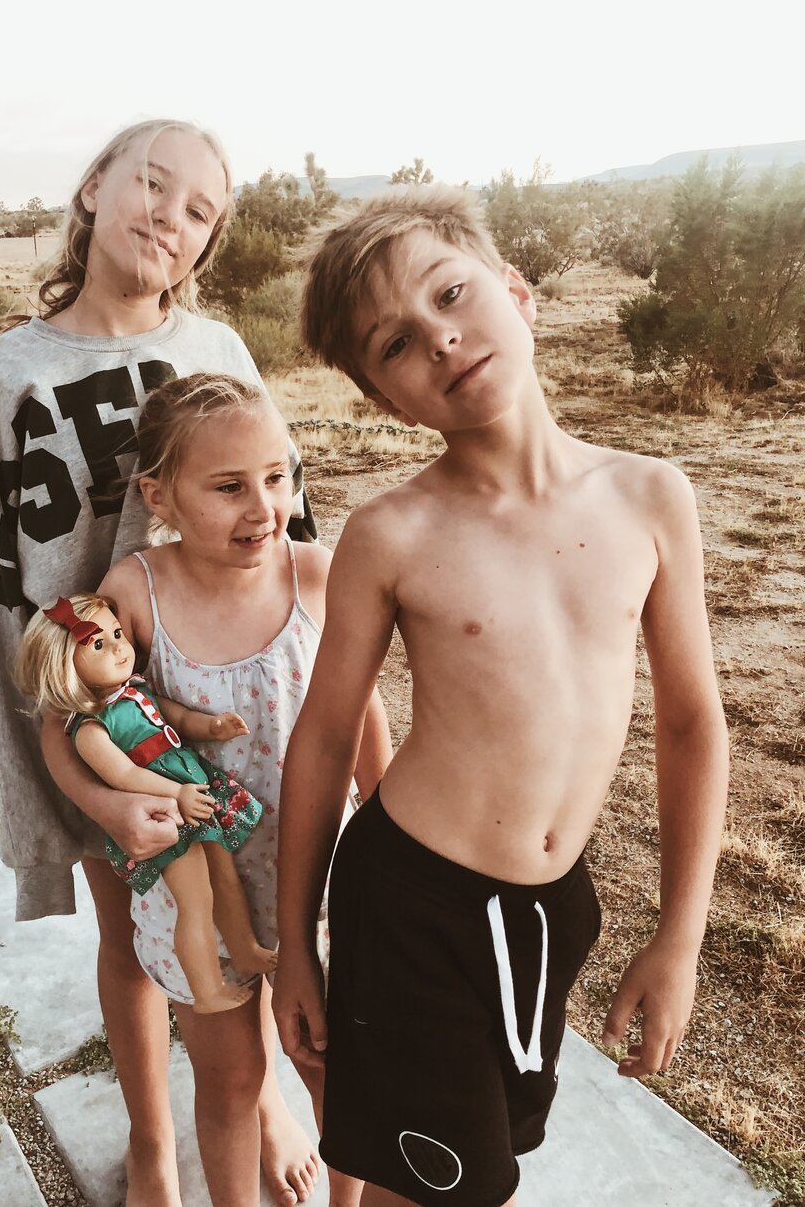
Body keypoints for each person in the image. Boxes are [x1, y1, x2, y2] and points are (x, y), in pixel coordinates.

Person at [274, 184, 730, 1207]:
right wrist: (295, 945)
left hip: (550, 911)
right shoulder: (392, 534)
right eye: (394, 343)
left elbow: (694, 724)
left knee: (489, 1162)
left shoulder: (650, 495)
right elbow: (319, 742)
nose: (437, 338)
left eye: (451, 294)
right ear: (386, 398)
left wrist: (680, 936)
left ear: (516, 293)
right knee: (442, 1190)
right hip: (411, 908)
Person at [0, 119, 320, 1206]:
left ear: (207, 243)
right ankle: (154, 1141)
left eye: (198, 208)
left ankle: (253, 1100)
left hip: (223, 692)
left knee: (247, 915)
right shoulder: (9, 369)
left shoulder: (218, 352)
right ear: (91, 189)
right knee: (135, 929)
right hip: (106, 716)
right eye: (151, 183)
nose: (169, 213)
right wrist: (30, 752)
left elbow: (284, 510)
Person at [76, 371, 389, 1207]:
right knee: (229, 1080)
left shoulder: (320, 574)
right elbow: (70, 718)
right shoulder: (135, 594)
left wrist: (393, 836)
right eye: (228, 486)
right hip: (201, 899)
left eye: (278, 476)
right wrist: (111, 804)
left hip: (319, 881)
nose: (264, 507)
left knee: (331, 1069)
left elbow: (363, 718)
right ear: (159, 493)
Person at [16, 592, 275, 1013]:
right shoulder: (90, 729)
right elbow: (125, 776)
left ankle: (244, 949)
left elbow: (177, 718)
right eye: (98, 645)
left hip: (192, 794)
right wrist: (177, 793)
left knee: (225, 878)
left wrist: (213, 726)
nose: (120, 647)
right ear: (63, 666)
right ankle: (206, 989)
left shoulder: (136, 692)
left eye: (117, 634)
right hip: (166, 813)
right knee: (195, 900)